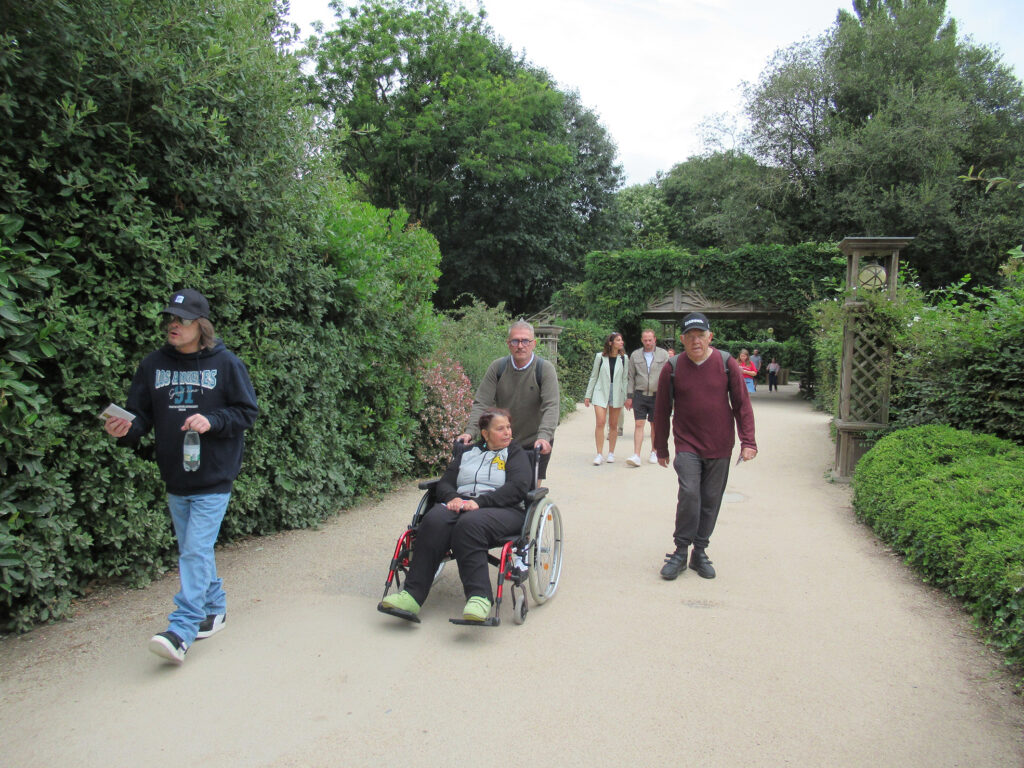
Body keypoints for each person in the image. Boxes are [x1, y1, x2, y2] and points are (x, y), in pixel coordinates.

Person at [103, 289, 258, 665]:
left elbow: (246, 412)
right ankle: (214, 608)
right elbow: (140, 417)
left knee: (193, 550)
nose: (174, 325)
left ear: (201, 326)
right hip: (176, 476)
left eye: (183, 319)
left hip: (214, 477)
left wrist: (213, 420)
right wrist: (125, 429)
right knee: (196, 548)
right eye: (170, 318)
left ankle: (183, 629)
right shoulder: (152, 365)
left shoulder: (226, 364)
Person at [380, 408, 530, 622]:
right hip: (463, 504)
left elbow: (518, 487)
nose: (507, 432)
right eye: (500, 428)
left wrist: (479, 503)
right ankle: (411, 595)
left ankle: (480, 598)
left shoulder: (515, 453)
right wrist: (452, 497)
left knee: (470, 524)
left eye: (508, 427)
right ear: (485, 434)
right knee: (433, 520)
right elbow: (446, 482)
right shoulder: (467, 453)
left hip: (504, 509)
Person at [653, 312, 757, 581]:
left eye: (700, 335)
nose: (695, 340)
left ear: (710, 337)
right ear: (682, 339)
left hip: (721, 444)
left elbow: (742, 404)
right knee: (690, 493)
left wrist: (749, 441)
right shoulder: (672, 367)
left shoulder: (726, 363)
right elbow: (662, 410)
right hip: (687, 443)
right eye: (690, 336)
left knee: (710, 500)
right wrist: (661, 448)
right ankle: (680, 551)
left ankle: (699, 552)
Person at [460, 321, 560, 480]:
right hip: (502, 440)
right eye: (515, 341)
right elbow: (481, 403)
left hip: (534, 441)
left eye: (525, 341)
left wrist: (544, 436)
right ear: (508, 344)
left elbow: (551, 406)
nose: (520, 345)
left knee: (530, 489)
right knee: (496, 483)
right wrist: (470, 432)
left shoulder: (544, 369)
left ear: (533, 343)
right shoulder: (497, 367)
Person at [624, 328, 670, 467]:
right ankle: (636, 454)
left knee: (654, 424)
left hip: (657, 395)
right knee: (639, 424)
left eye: (650, 340)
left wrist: (669, 396)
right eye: (645, 340)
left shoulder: (663, 354)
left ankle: (654, 451)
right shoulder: (635, 355)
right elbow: (631, 377)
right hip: (640, 393)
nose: (648, 342)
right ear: (642, 340)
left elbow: (668, 375)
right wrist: (629, 396)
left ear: (655, 339)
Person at [584, 332, 628, 465]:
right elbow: (594, 376)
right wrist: (588, 395)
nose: (621, 342)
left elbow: (625, 379)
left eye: (621, 340)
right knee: (600, 422)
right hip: (600, 391)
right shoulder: (600, 357)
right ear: (611, 343)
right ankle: (599, 454)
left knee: (613, 424)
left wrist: (626, 397)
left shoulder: (624, 358)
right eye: (618, 340)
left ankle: (611, 453)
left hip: (616, 392)